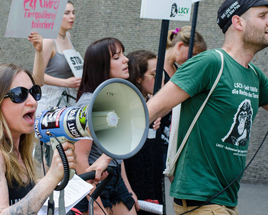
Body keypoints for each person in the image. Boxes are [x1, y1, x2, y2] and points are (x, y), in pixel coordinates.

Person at [147, 0, 268, 214]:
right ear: (238, 22)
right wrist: (106, 157)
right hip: (202, 201)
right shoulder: (211, 62)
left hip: (227, 200)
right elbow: (153, 109)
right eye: (262, 16)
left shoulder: (255, 76)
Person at [0, 63, 76, 215]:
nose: (32, 101)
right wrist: (50, 178)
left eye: (34, 92)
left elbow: (19, 196)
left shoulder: (17, 151)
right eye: (19, 95)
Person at [74, 37, 138, 215]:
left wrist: (128, 188)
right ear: (101, 66)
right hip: (93, 185)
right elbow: (80, 157)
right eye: (117, 57)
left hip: (114, 179)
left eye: (123, 54)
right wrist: (94, 203)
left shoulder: (115, 97)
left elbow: (117, 150)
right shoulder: (87, 104)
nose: (126, 60)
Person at [124, 50, 164, 214]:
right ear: (139, 77)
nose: (160, 79)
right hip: (135, 175)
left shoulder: (151, 100)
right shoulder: (128, 104)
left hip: (153, 175)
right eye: (154, 74)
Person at [161, 26, 207, 169]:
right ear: (180, 46)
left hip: (172, 136)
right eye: (193, 54)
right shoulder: (156, 68)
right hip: (157, 136)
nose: (194, 60)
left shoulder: (178, 70)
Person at [35, 0, 81, 118]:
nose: (72, 17)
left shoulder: (68, 37)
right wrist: (65, 82)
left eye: (73, 12)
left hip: (69, 99)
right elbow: (37, 76)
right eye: (66, 13)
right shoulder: (48, 41)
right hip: (51, 100)